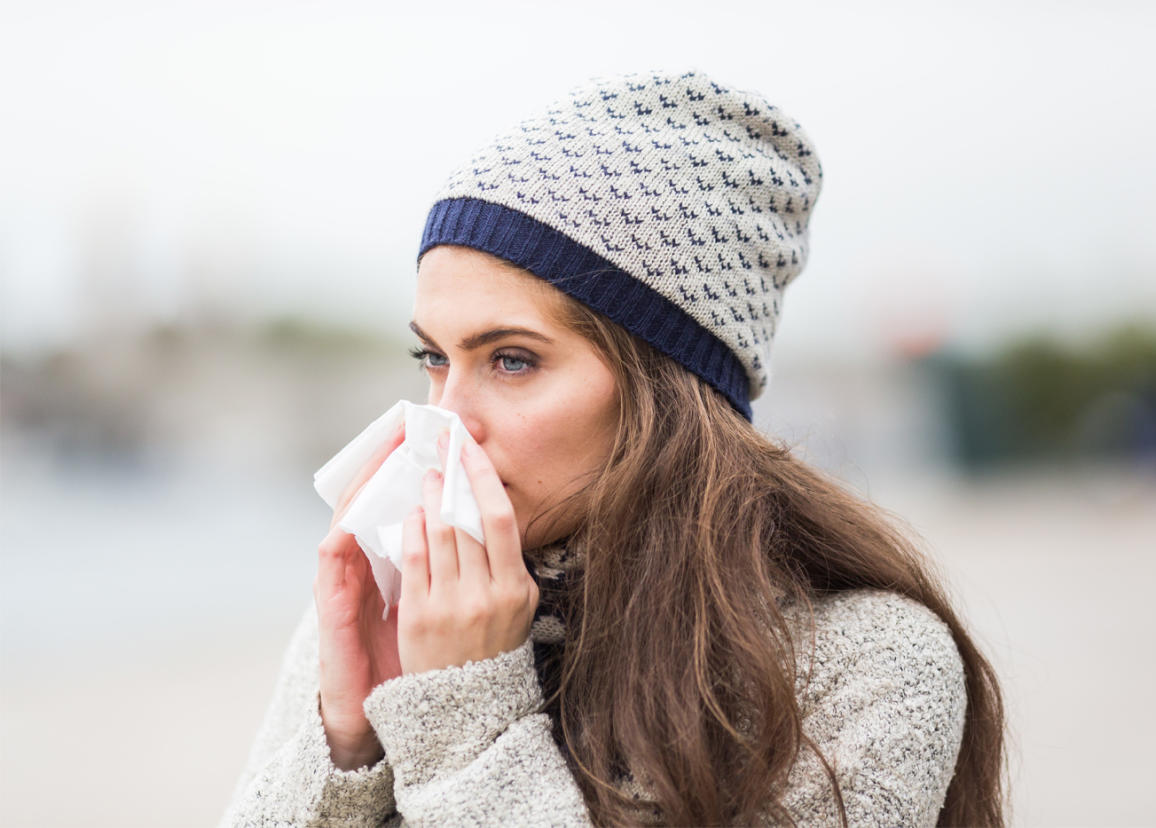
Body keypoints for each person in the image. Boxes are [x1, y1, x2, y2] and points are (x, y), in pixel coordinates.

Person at [223, 70, 1006, 827]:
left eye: (512, 360)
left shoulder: (867, 663)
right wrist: (347, 740)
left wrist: (466, 719)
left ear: (666, 392)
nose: (448, 420)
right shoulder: (394, 606)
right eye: (433, 358)